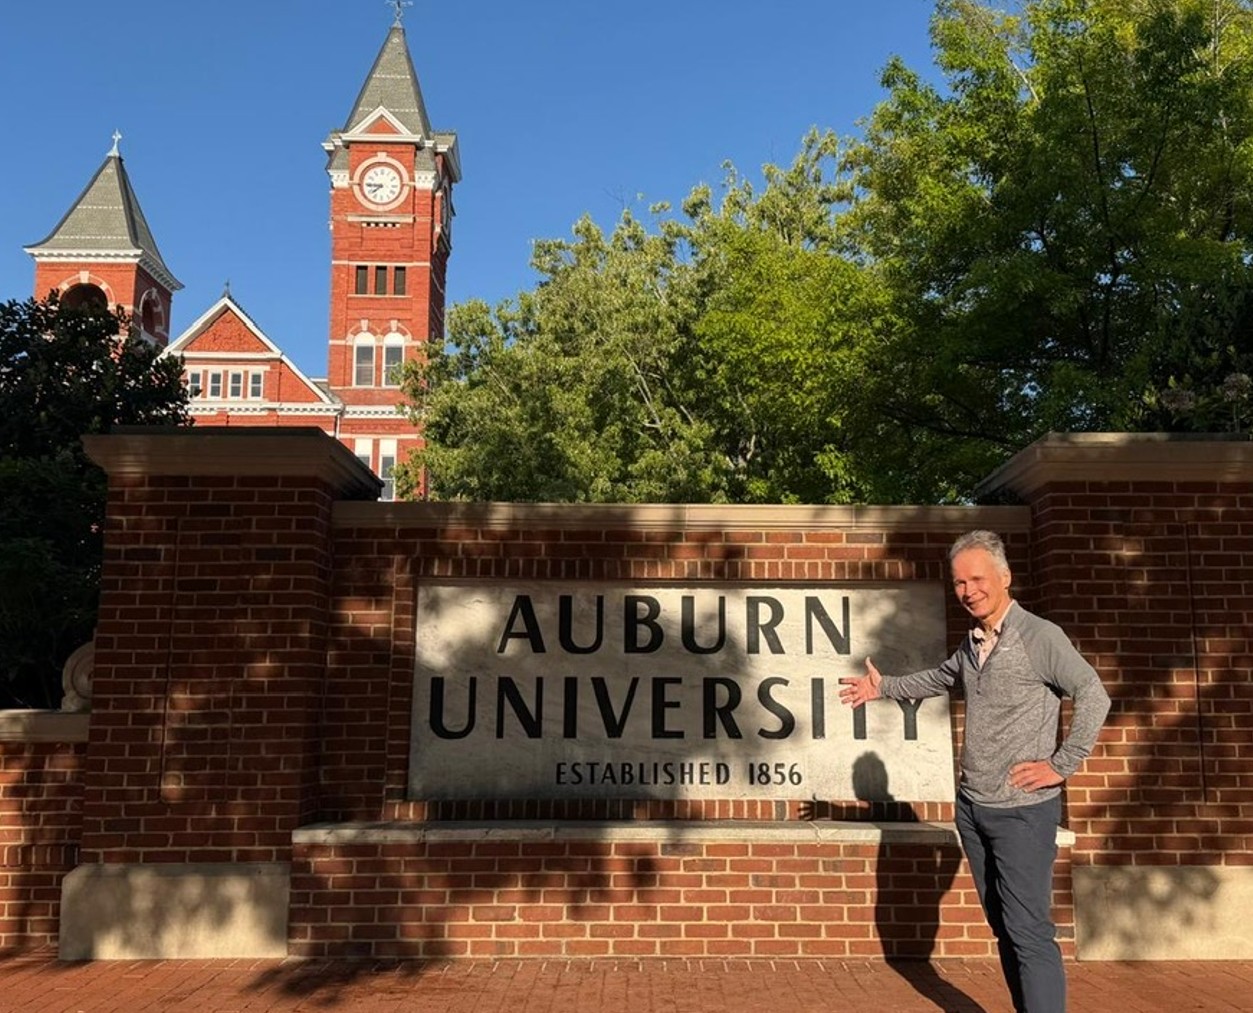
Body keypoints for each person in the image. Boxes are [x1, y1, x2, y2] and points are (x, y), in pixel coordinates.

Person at [839, 529, 1110, 1013]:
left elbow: (1093, 694)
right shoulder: (975, 642)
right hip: (974, 809)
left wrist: (1060, 765)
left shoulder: (1039, 637)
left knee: (1029, 932)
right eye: (960, 582)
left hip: (1023, 813)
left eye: (977, 579)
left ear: (1005, 577)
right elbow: (944, 675)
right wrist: (884, 689)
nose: (968, 591)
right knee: (1004, 927)